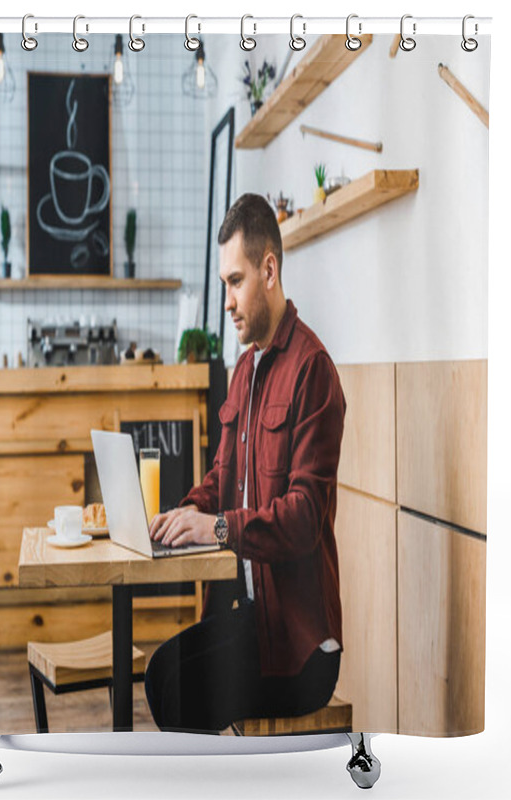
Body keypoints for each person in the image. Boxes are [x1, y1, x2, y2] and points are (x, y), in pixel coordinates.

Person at [144, 193, 346, 733]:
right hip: (255, 621)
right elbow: (220, 480)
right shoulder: (245, 368)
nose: (228, 301)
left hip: (303, 647)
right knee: (159, 674)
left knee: (178, 693)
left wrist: (214, 528)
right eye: (224, 286)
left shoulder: (313, 371)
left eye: (236, 282)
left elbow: (303, 517)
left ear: (269, 270)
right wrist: (179, 515)